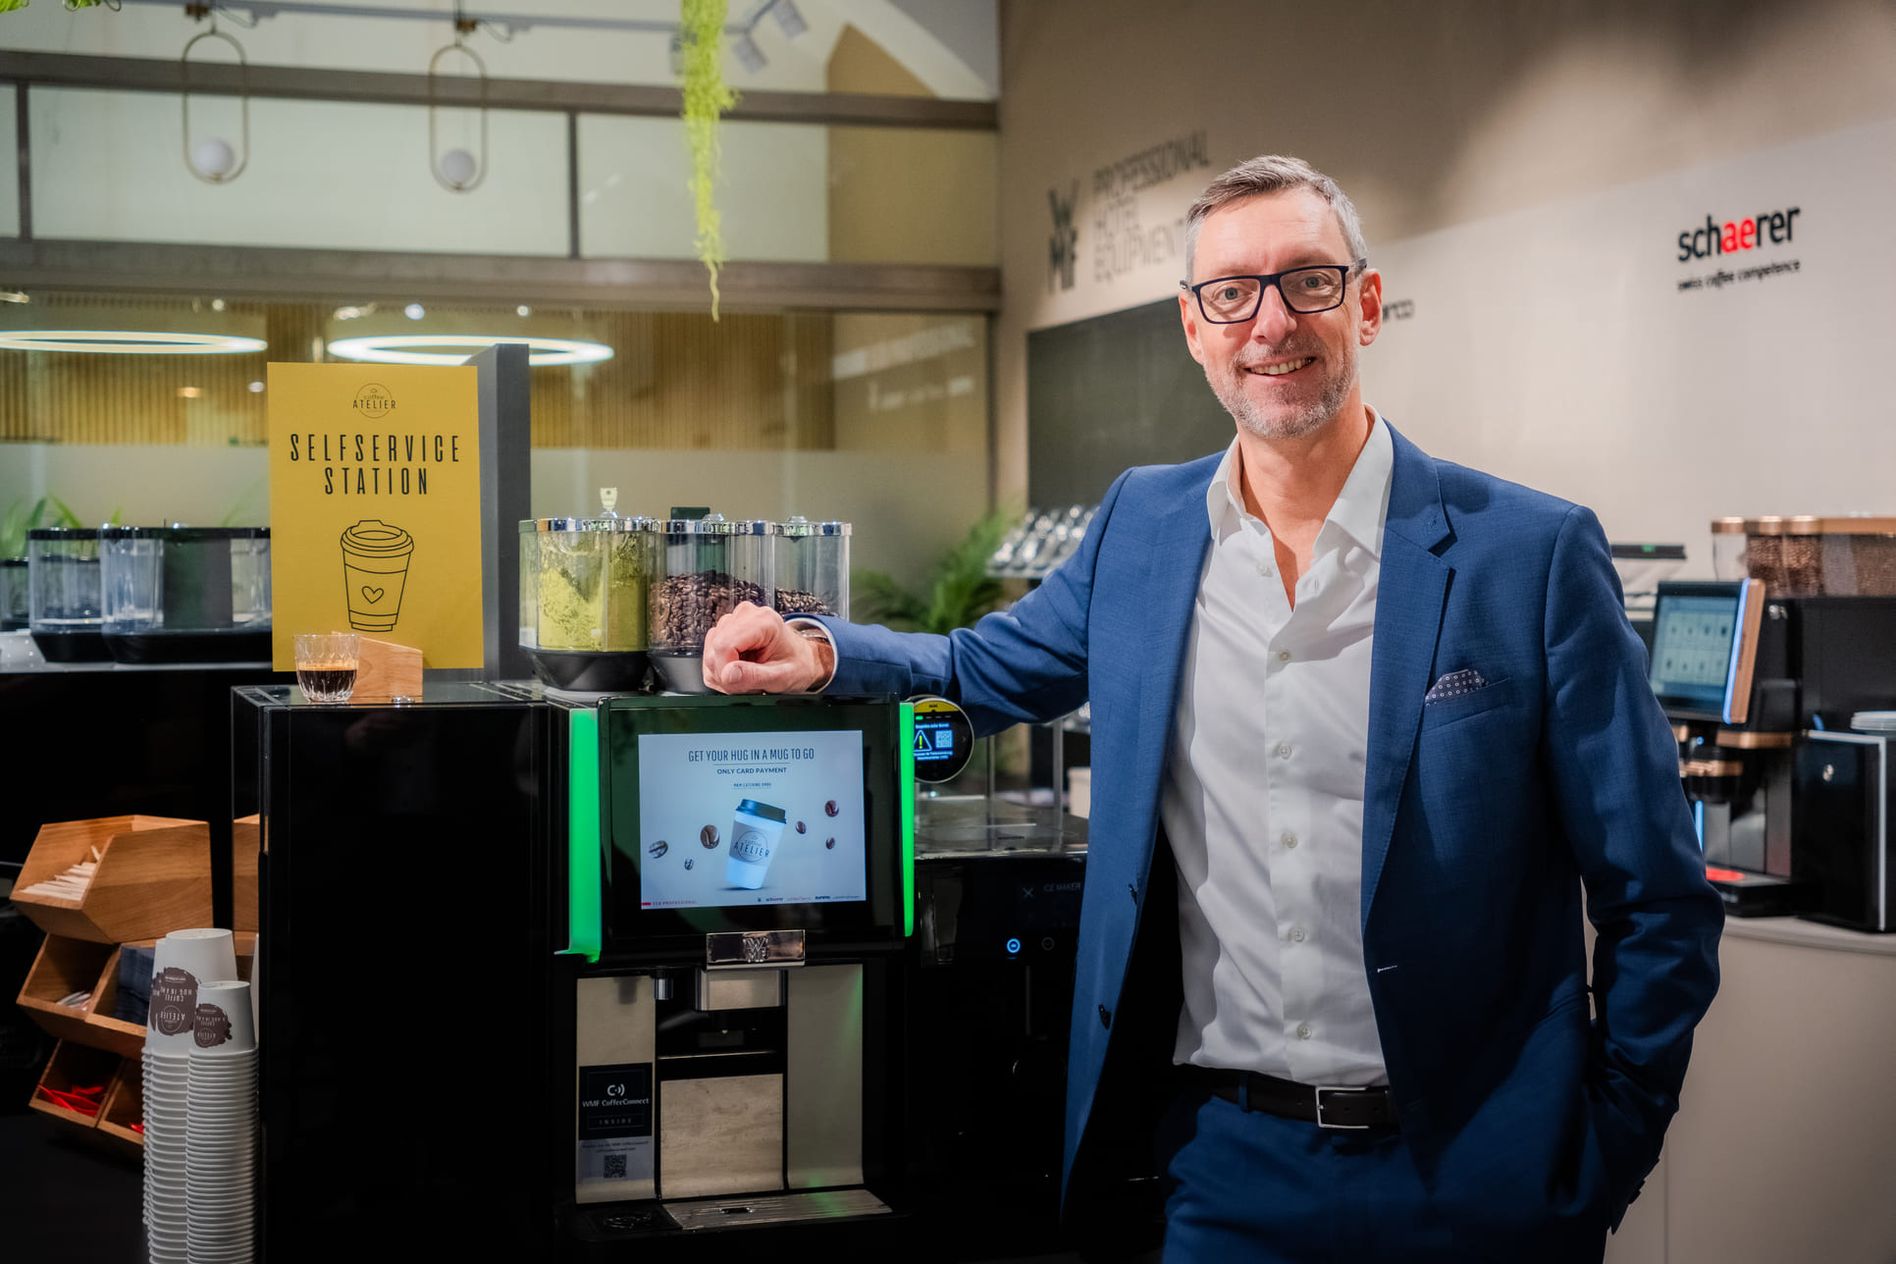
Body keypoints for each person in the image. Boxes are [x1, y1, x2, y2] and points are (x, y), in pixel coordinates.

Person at [701, 155, 1723, 1262]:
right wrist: (814, 648)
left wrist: (1592, 1166)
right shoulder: (1143, 528)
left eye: (1308, 283)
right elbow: (979, 666)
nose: (1270, 323)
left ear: (1366, 303)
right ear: (1194, 328)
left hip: (1478, 1179)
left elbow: (1659, 900)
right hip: (1223, 1176)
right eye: (1231, 292)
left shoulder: (1526, 553)